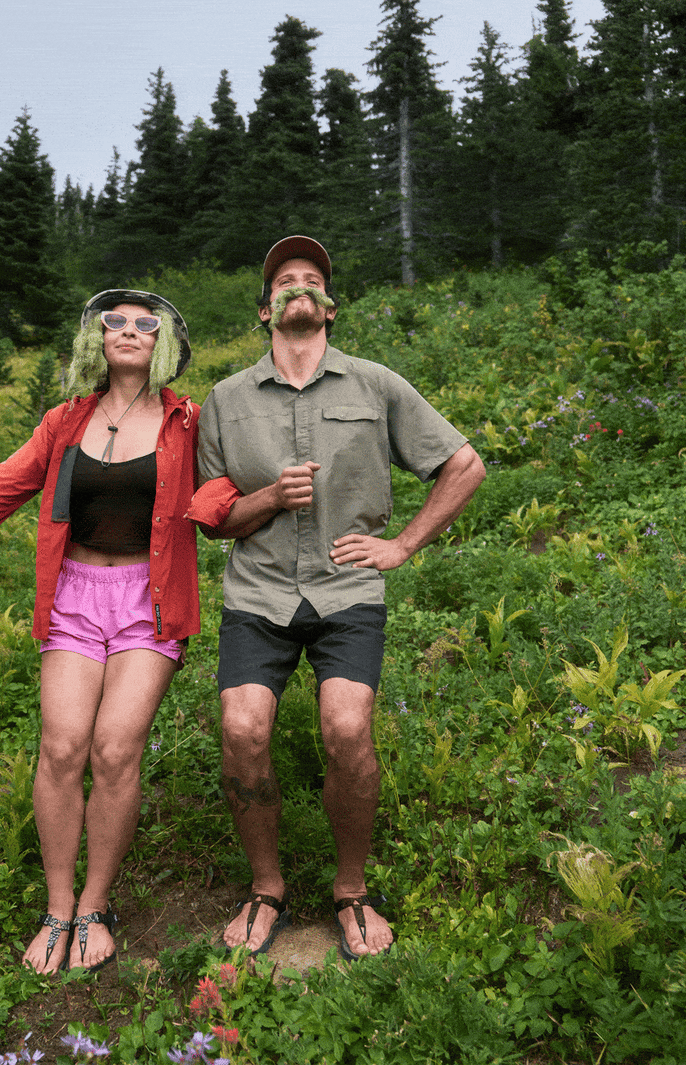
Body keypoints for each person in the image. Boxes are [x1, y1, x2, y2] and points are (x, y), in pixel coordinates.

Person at [0, 290, 202, 974]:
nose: (127, 330)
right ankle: (58, 905)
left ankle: (95, 904)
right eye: (111, 320)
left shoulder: (189, 423)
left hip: (149, 601)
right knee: (62, 747)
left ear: (167, 343)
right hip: (75, 599)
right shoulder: (64, 423)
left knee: (115, 749)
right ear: (93, 339)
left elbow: (237, 483)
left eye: (145, 323)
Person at [187, 236, 486, 960]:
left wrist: (401, 545)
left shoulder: (377, 385)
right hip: (257, 592)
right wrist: (266, 497)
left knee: (348, 727)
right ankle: (267, 887)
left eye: (312, 280)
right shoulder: (224, 400)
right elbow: (210, 517)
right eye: (284, 280)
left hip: (348, 585)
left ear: (330, 306)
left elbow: (464, 463)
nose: (299, 286)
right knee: (243, 729)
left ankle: (351, 889)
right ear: (265, 311)